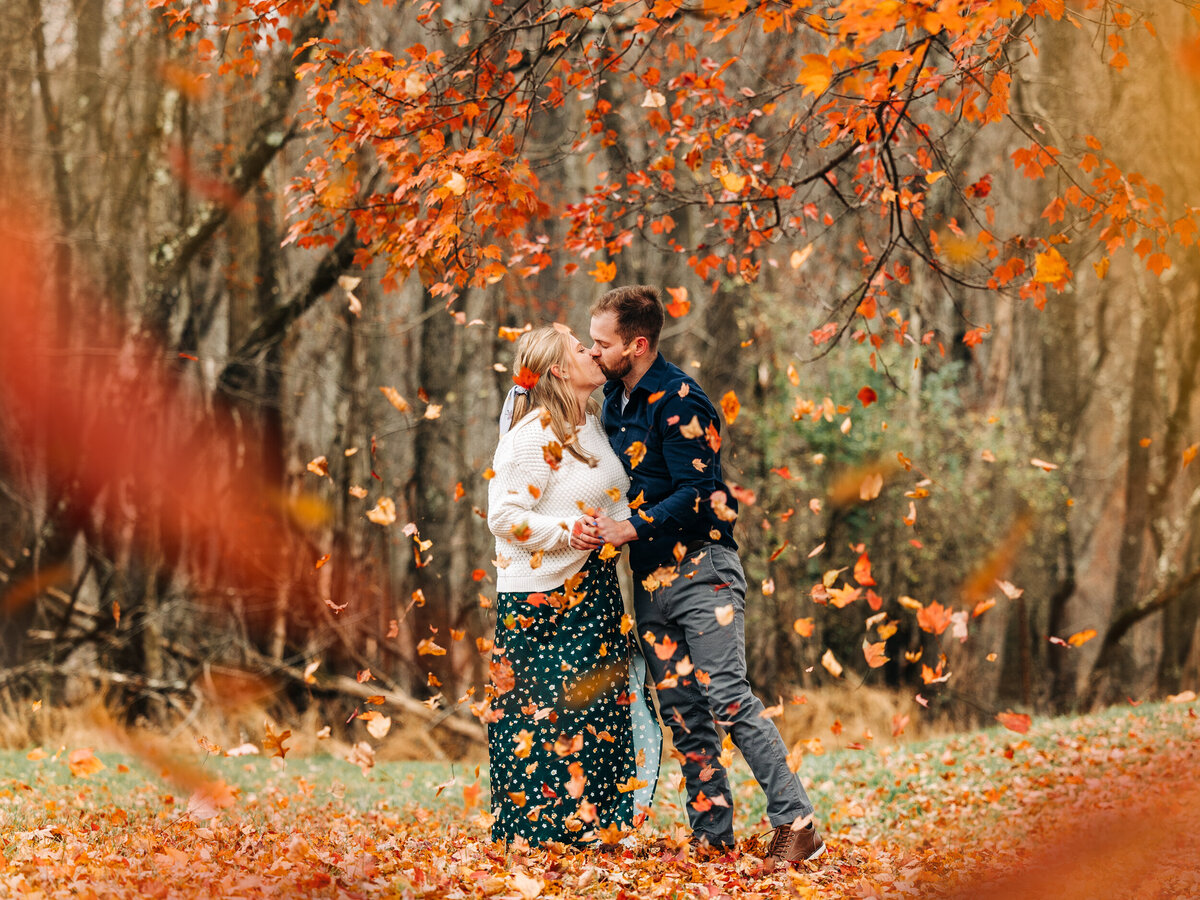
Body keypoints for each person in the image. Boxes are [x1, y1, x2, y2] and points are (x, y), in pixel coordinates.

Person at [586, 286, 826, 866]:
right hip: (649, 582)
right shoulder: (615, 404)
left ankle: (798, 822)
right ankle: (711, 839)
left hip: (703, 570)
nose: (594, 352)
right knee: (684, 713)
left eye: (603, 343)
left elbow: (700, 495)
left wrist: (629, 529)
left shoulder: (682, 401)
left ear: (637, 345)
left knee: (726, 697)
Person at [486, 323, 660, 848]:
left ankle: (596, 834)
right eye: (581, 350)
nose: (592, 353)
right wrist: (567, 532)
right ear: (560, 369)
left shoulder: (591, 424)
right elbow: (503, 518)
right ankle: (537, 840)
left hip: (595, 589)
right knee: (542, 723)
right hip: (540, 599)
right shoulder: (536, 433)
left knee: (602, 712)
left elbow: (610, 499)